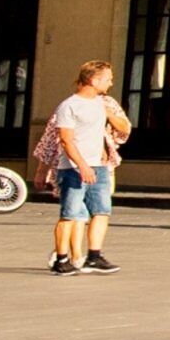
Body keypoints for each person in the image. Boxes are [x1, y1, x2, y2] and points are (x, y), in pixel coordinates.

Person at [46, 60, 130, 276]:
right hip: (73, 167)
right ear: (93, 80)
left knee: (102, 211)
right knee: (70, 214)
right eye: (107, 79)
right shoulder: (69, 106)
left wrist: (108, 114)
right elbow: (66, 140)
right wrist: (82, 165)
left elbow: (124, 127)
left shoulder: (102, 103)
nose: (110, 83)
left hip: (99, 166)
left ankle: (94, 256)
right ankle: (61, 259)